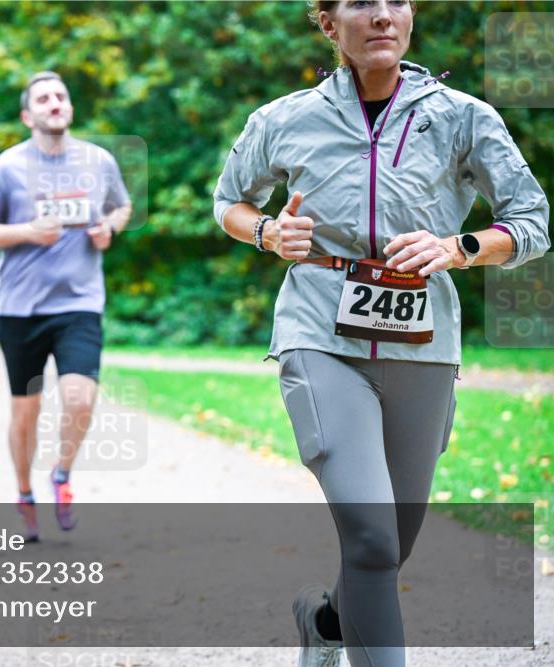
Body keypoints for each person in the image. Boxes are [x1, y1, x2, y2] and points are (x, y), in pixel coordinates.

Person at [212, 2, 549, 666]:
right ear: (328, 22)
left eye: (396, 0)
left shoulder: (463, 116)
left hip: (423, 341)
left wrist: (463, 247)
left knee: (392, 543)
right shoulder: (284, 119)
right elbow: (229, 200)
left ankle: (325, 622)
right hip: (319, 331)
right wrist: (269, 232)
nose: (382, 16)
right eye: (362, 2)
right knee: (370, 538)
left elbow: (531, 220)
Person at [0, 71, 133, 541]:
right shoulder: (6, 168)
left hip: (79, 303)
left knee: (80, 397)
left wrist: (109, 229)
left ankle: (61, 474)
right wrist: (26, 232)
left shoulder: (98, 161)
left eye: (60, 96)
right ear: (27, 115)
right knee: (26, 412)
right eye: (43, 98)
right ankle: (23, 493)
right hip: (20, 307)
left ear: (70, 107)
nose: (54, 103)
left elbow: (121, 207)